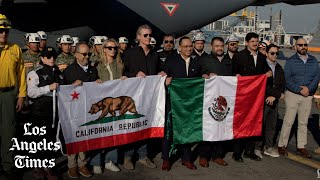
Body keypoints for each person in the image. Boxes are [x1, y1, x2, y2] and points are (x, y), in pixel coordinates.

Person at [162, 36, 205, 171]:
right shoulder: (171, 61)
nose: (189, 49)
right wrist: (164, 79)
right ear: (179, 47)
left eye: (190, 46)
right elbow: (162, 76)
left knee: (187, 130)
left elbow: (200, 78)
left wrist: (205, 76)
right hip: (173, 102)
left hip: (190, 104)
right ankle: (166, 159)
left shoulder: (196, 63)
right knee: (169, 131)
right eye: (185, 46)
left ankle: (186, 159)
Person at [122, 24, 161, 170]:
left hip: (149, 96)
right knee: (132, 126)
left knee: (145, 125)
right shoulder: (130, 53)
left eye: (150, 35)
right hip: (133, 96)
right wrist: (134, 75)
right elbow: (123, 74)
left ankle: (143, 156)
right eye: (145, 35)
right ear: (138, 36)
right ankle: (128, 157)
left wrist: (162, 73)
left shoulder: (154, 54)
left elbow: (159, 70)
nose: (149, 38)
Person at [232, 32, 272, 161]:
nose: (255, 44)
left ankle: (249, 150)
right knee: (241, 123)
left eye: (256, 41)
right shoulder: (239, 56)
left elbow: (265, 74)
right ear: (247, 42)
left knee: (253, 123)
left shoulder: (261, 57)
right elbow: (233, 72)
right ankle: (237, 152)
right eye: (252, 41)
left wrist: (269, 73)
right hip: (243, 97)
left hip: (256, 98)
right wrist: (237, 75)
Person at [278, 38, 320, 158]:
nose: (303, 47)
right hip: (293, 94)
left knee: (303, 122)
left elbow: (316, 77)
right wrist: (299, 89)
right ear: (296, 47)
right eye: (300, 45)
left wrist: (308, 89)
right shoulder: (291, 61)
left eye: (305, 45)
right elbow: (287, 79)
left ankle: (301, 146)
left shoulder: (313, 60)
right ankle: (282, 145)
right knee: (288, 121)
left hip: (307, 96)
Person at [63, 42, 99, 178]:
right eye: (84, 54)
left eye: (89, 54)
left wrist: (98, 83)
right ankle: (71, 165)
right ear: (76, 54)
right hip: (73, 110)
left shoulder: (92, 69)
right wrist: (72, 86)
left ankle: (82, 164)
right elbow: (63, 93)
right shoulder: (69, 71)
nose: (87, 57)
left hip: (87, 109)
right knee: (73, 136)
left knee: (85, 136)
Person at [27, 47, 63, 180]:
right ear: (42, 58)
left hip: (53, 113)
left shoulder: (57, 71)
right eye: (48, 57)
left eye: (53, 56)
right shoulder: (35, 73)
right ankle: (38, 168)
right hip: (39, 112)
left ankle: (48, 167)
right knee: (38, 140)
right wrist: (49, 87)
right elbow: (31, 92)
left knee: (50, 140)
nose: (52, 59)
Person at [91, 38, 126, 174]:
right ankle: (96, 162)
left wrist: (124, 79)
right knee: (99, 132)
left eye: (115, 48)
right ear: (104, 49)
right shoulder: (97, 65)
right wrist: (96, 81)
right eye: (110, 48)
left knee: (114, 132)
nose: (113, 50)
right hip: (102, 102)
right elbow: (91, 83)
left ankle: (110, 160)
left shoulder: (120, 64)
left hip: (115, 103)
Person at [198, 37, 231, 167]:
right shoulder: (204, 60)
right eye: (217, 46)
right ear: (211, 46)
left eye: (221, 46)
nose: (219, 48)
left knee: (221, 127)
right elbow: (197, 75)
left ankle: (217, 155)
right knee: (208, 127)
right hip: (209, 100)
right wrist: (203, 76)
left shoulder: (229, 61)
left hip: (224, 99)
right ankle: (203, 156)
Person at [0, 13, 26, 180]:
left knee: (8, 131)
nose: (3, 34)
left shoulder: (15, 49)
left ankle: (7, 165)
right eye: (0, 31)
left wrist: (21, 95)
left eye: (6, 32)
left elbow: (21, 73)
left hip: (9, 94)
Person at [256, 44, 285, 158]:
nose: (275, 55)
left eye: (277, 53)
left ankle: (268, 146)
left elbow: (282, 83)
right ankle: (257, 147)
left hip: (274, 99)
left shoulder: (278, 67)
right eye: (272, 53)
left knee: (272, 125)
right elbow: (262, 84)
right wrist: (277, 94)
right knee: (260, 124)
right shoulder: (262, 66)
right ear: (267, 53)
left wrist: (275, 96)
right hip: (263, 99)